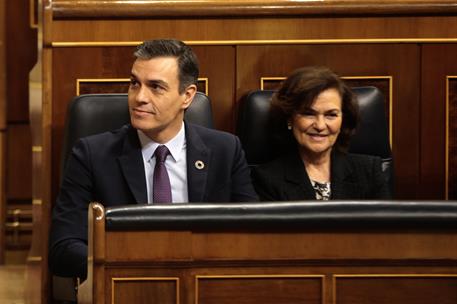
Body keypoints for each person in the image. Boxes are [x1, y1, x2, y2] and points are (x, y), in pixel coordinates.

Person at [49, 39, 258, 280]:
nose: (139, 97)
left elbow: (251, 235)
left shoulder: (226, 151)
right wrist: (136, 270)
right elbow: (62, 248)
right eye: (134, 84)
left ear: (187, 96)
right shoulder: (92, 154)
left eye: (155, 87)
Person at [252, 66, 391, 201]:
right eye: (308, 114)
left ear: (343, 119)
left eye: (331, 115)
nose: (320, 125)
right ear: (290, 118)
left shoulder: (369, 172)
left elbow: (386, 224)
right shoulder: (267, 178)